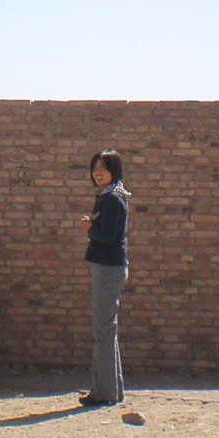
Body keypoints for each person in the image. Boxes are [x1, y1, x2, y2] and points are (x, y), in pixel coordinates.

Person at [78, 149, 130, 407]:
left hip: (107, 268)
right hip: (112, 267)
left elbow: (108, 235)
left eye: (103, 168)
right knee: (107, 331)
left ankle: (104, 393)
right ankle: (112, 390)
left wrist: (90, 228)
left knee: (103, 333)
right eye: (94, 168)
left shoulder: (111, 198)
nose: (97, 173)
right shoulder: (115, 194)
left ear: (113, 170)